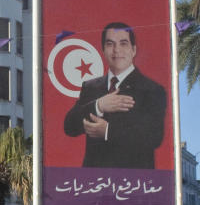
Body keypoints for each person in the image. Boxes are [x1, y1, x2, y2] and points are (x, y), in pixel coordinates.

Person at [63, 22, 166, 168]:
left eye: (123, 43)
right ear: (103, 50)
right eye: (110, 44)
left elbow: (154, 137)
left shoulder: (151, 89)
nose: (116, 50)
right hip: (92, 182)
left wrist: (108, 131)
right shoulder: (91, 87)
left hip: (135, 181)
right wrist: (98, 105)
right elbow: (69, 126)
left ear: (133, 50)